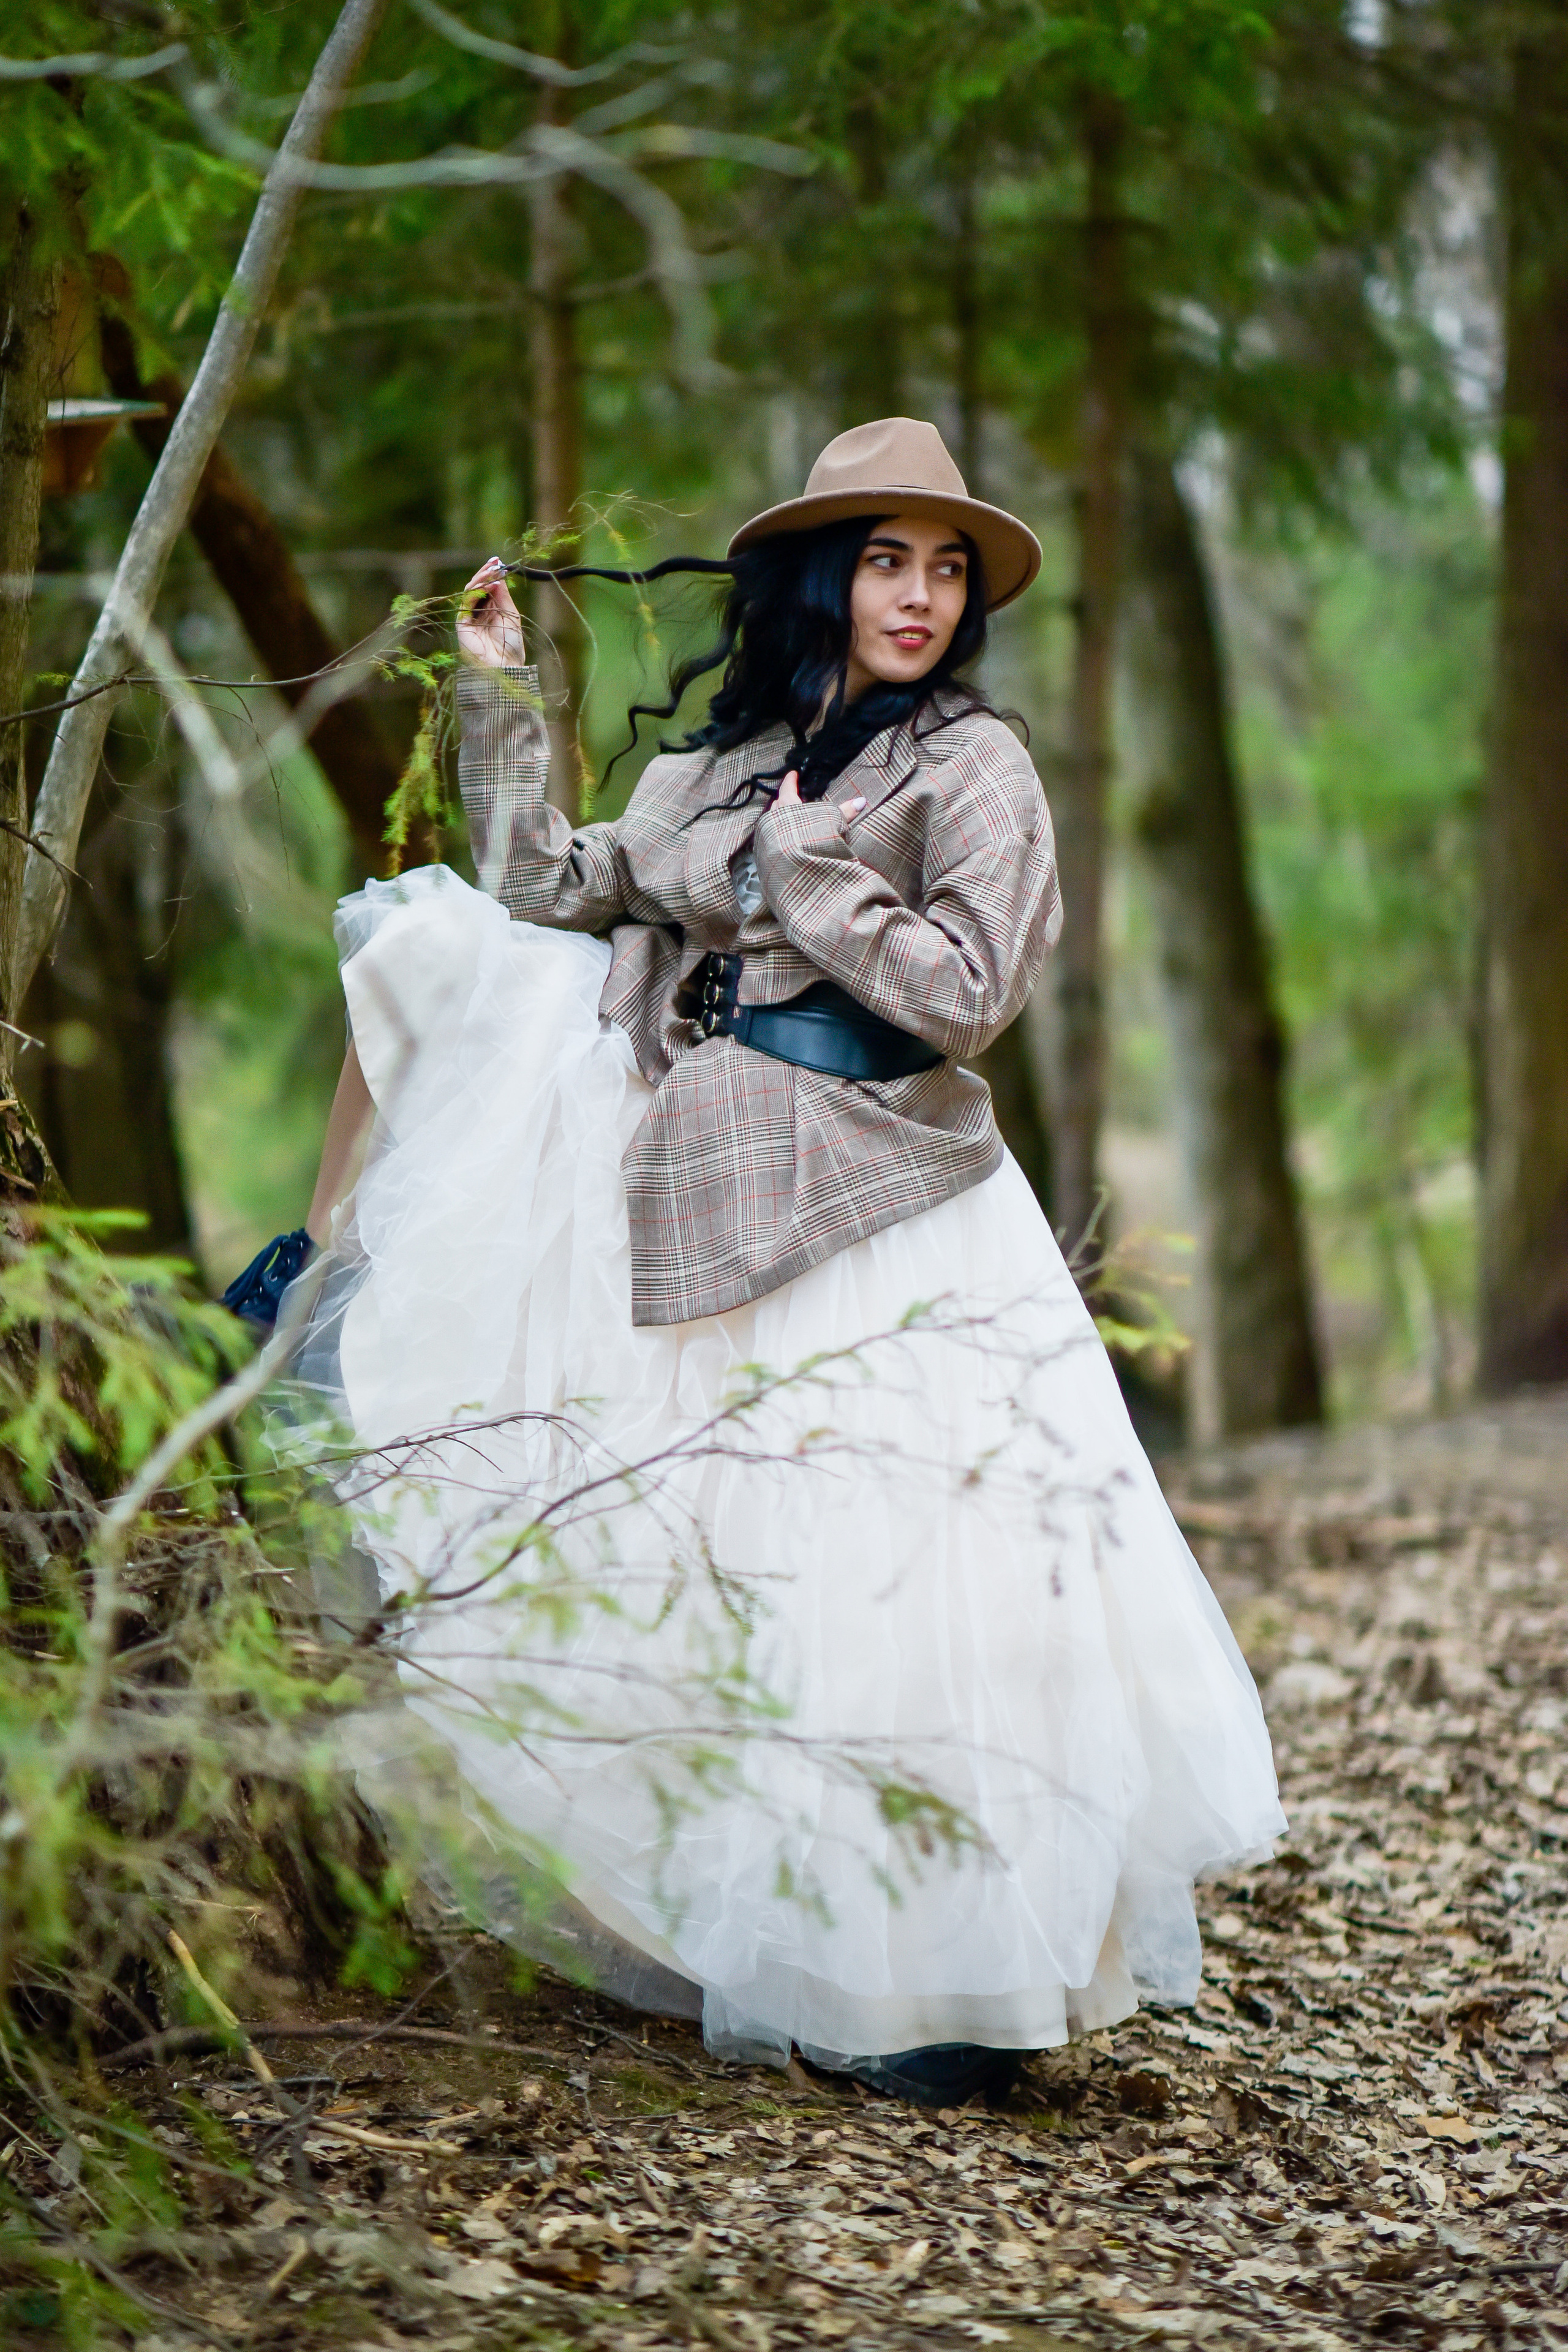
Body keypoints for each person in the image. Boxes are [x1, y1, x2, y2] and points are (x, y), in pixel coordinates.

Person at [229, 418, 1284, 2105]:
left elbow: (968, 989)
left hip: (888, 1190)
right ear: (822, 574)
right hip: (705, 1175)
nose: (921, 596)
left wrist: (807, 871)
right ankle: (319, 1274)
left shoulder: (974, 768)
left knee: (913, 1584)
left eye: (946, 568)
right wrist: (500, 699)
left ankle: (951, 1982)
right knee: (748, 1569)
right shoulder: (722, 766)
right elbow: (553, 884)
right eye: (887, 559)